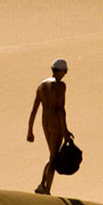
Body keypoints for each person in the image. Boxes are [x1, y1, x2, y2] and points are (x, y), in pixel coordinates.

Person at [27, 58, 69, 195]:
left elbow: (34, 110)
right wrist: (65, 131)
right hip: (56, 123)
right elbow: (61, 110)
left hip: (45, 122)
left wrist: (30, 130)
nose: (64, 74)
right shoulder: (60, 86)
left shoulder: (41, 86)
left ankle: (42, 184)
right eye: (65, 71)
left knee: (52, 155)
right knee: (54, 158)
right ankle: (47, 190)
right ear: (61, 71)